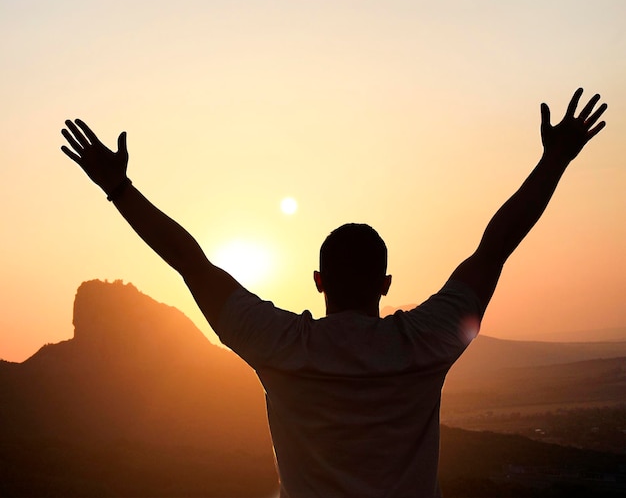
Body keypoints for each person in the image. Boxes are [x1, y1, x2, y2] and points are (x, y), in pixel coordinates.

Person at [61, 88, 607, 498]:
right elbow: (495, 248)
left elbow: (189, 261)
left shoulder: (281, 345)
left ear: (319, 282)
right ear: (387, 286)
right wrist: (554, 160)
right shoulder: (424, 342)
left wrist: (118, 188)